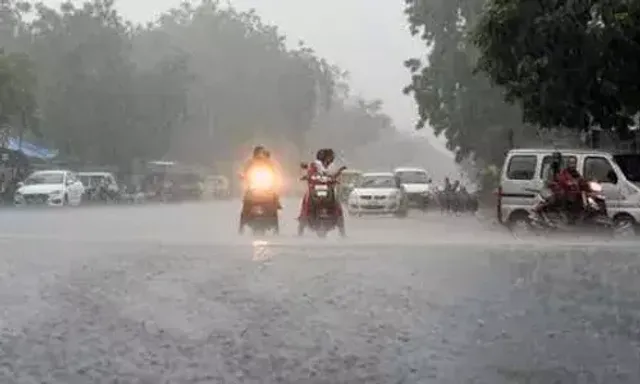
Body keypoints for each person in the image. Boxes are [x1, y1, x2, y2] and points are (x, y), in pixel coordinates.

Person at [298, 148, 346, 230]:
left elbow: (334, 175)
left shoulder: (332, 166)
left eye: (331, 157)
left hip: (328, 188)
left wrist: (339, 173)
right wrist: (307, 177)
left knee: (337, 202)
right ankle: (302, 221)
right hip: (315, 187)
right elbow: (309, 172)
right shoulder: (315, 164)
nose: (331, 158)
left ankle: (341, 227)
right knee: (306, 198)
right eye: (329, 156)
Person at [238, 145, 281, 233]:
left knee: (274, 198)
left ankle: (275, 224)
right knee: (246, 200)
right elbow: (245, 172)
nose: (260, 155)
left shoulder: (268, 162)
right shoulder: (250, 162)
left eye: (261, 153)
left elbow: (274, 173)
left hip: (266, 187)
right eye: (258, 153)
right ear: (254, 153)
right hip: (253, 187)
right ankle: (242, 225)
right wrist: (243, 176)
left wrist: (275, 178)